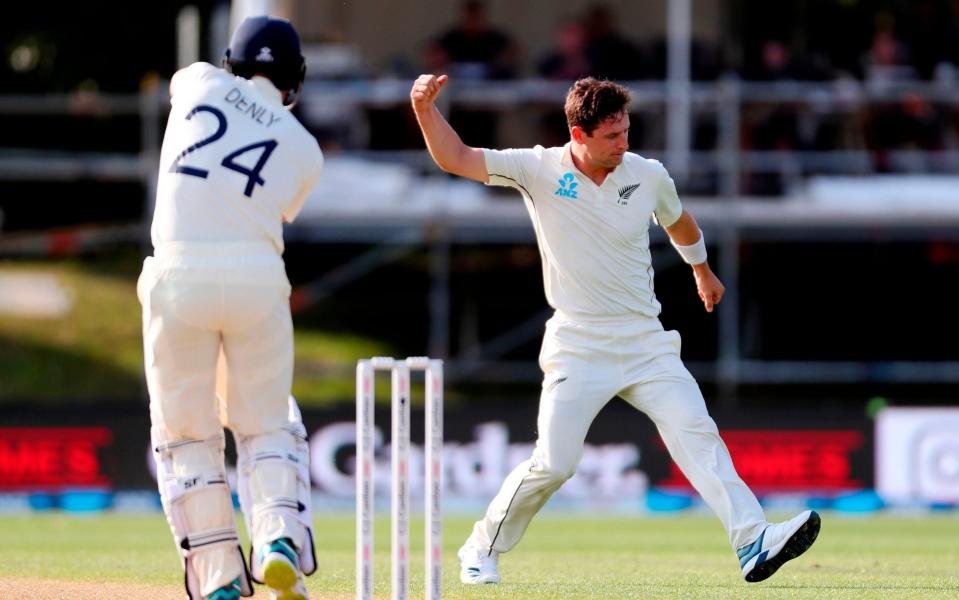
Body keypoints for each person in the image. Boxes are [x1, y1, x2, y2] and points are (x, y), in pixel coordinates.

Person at [409, 73, 821, 585]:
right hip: (578, 344)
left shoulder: (646, 174)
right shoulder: (537, 168)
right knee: (554, 464)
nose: (625, 144)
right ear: (578, 135)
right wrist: (425, 109)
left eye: (627, 131)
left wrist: (700, 267)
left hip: (646, 340)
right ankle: (480, 547)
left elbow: (679, 220)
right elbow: (457, 158)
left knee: (697, 433)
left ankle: (752, 540)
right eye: (612, 136)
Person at [138, 16, 323, 600]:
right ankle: (278, 540)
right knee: (264, 421)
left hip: (177, 276)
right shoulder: (306, 149)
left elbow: (181, 90)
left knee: (187, 435)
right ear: (295, 79)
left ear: (230, 63)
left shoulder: (196, 82)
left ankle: (219, 578)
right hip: (257, 279)